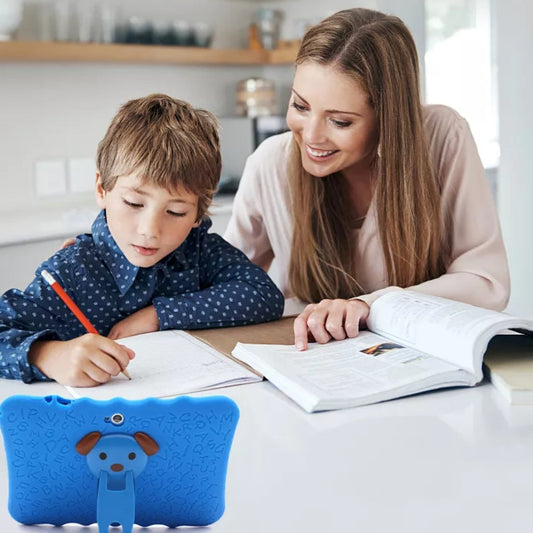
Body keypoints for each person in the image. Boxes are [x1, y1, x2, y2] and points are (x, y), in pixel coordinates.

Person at [224, 8, 510, 350]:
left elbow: (486, 283)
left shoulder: (441, 137)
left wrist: (369, 305)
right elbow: (226, 282)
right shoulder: (270, 162)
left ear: (388, 117)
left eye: (340, 121)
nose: (311, 136)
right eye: (300, 106)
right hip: (308, 359)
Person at [0, 94, 283, 385]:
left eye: (175, 212)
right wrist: (47, 356)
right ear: (101, 189)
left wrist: (158, 315)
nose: (150, 230)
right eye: (134, 203)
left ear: (199, 212)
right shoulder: (73, 270)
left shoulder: (200, 250)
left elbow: (263, 295)